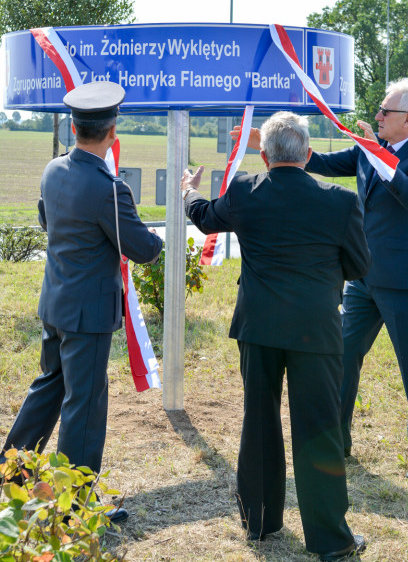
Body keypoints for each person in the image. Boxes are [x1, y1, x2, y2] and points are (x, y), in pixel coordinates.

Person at [182, 111, 372, 561]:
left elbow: (205, 218)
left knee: (259, 422)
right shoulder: (340, 200)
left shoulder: (244, 190)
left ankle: (260, 521)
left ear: (264, 156)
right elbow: (360, 265)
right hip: (316, 328)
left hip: (259, 326)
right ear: (308, 154)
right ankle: (330, 540)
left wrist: (188, 190)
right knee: (319, 429)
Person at [236, 78, 408, 482]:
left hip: (404, 281)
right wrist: (275, 146)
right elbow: (323, 163)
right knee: (342, 358)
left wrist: (378, 155)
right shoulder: (369, 149)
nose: (377, 116)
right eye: (380, 109)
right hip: (362, 278)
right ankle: (338, 441)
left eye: (385, 111)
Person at [1, 81, 162, 520]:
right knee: (84, 407)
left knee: (48, 387)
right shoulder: (109, 188)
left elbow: (46, 219)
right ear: (113, 131)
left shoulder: (53, 170)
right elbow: (142, 249)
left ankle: (12, 474)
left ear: (73, 128)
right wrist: (156, 238)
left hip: (55, 302)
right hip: (88, 314)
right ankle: (74, 510)